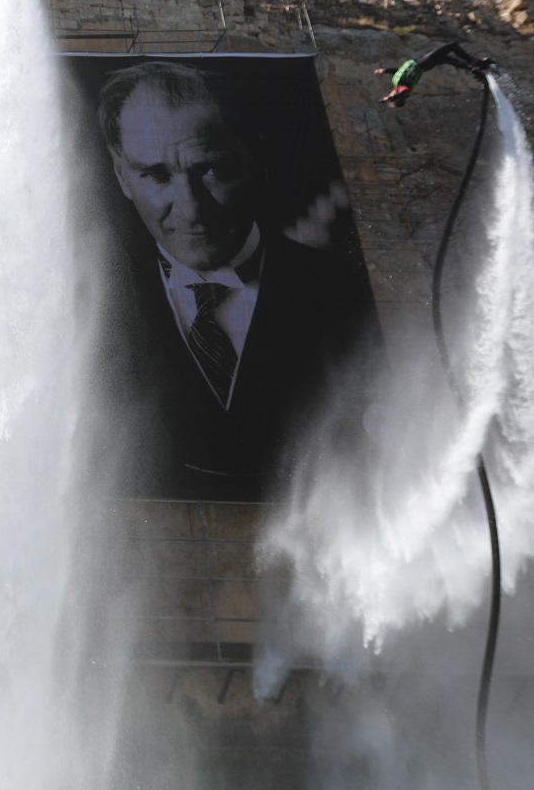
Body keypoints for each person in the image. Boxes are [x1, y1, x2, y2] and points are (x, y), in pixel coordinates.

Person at [95, 61, 377, 501]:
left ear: (254, 158)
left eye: (212, 169)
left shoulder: (345, 297)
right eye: (157, 175)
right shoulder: (88, 310)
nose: (191, 209)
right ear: (121, 177)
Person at [375, 41, 495, 107]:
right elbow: (403, 92)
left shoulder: (397, 83)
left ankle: (473, 68)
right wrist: (390, 99)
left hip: (425, 64)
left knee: (448, 59)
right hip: (423, 63)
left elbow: (398, 71)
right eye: (391, 96)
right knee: (452, 46)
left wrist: (384, 70)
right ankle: (475, 63)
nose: (389, 93)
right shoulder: (404, 88)